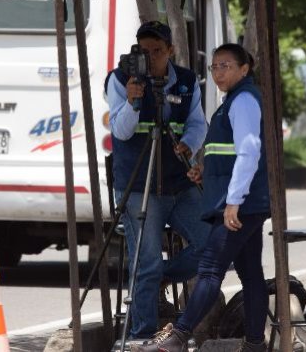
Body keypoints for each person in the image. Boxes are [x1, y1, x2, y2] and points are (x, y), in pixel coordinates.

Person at [133, 43, 271, 352]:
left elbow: (249, 152)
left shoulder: (244, 100)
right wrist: (203, 171)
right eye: (214, 67)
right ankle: (254, 345)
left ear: (244, 69)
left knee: (210, 269)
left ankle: (177, 337)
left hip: (239, 203)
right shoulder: (232, 101)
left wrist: (233, 202)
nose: (219, 72)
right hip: (243, 200)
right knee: (251, 274)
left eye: (226, 66)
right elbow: (226, 152)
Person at [106, 21, 210, 340]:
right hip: (139, 184)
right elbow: (121, 131)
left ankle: (160, 277)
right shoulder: (121, 78)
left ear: (170, 51)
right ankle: (142, 336)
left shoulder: (187, 81)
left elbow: (197, 124)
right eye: (144, 50)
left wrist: (189, 144)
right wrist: (132, 101)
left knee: (212, 246)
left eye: (157, 51)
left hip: (177, 182)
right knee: (146, 261)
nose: (150, 57)